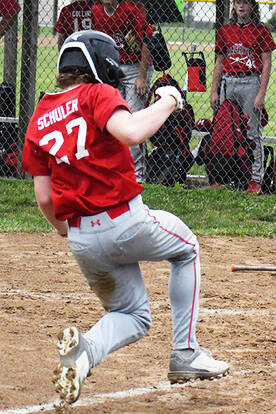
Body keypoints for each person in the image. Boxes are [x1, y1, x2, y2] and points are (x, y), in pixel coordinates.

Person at [21, 30, 229, 405]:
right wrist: (169, 99)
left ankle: (83, 356)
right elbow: (132, 131)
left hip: (81, 238)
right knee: (187, 249)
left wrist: (70, 232)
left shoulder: (40, 113)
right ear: (100, 65)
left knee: (132, 314)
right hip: (125, 220)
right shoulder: (96, 93)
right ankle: (185, 352)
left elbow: (44, 197)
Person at [210, 0, 276, 194]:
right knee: (226, 129)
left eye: (246, 3)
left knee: (252, 132)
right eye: (238, 2)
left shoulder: (261, 30)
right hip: (228, 82)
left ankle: (256, 179)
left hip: (250, 82)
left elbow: (266, 63)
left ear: (252, 6)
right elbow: (219, 63)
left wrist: (261, 93)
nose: (241, 6)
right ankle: (225, 175)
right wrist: (214, 90)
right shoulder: (225, 30)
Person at [92, 0, 154, 183]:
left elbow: (146, 42)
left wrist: (142, 76)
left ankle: (137, 176)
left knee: (133, 120)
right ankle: (116, 171)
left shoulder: (130, 9)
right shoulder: (96, 11)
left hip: (135, 68)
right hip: (114, 69)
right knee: (113, 122)